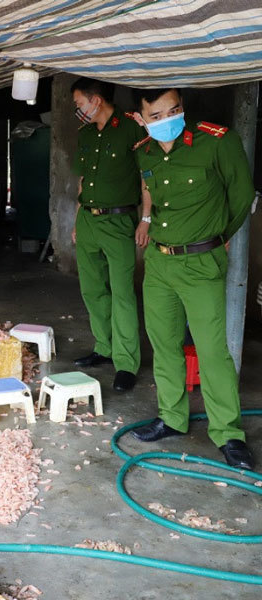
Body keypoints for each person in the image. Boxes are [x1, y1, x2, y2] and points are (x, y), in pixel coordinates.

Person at [131, 88, 255, 470]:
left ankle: (228, 433)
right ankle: (172, 417)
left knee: (213, 350)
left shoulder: (217, 141)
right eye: (157, 115)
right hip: (160, 263)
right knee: (164, 343)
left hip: (202, 262)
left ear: (182, 108)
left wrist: (218, 237)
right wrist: (148, 221)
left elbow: (242, 195)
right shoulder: (145, 151)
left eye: (175, 109)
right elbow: (151, 190)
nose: (167, 118)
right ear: (142, 118)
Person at [70, 77, 145, 392]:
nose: (77, 110)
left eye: (78, 103)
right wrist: (76, 221)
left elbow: (147, 176)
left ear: (95, 100)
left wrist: (147, 220)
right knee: (92, 289)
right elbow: (83, 181)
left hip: (119, 221)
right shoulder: (86, 134)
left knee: (123, 294)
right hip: (88, 220)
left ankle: (126, 363)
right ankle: (104, 348)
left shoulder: (131, 128)